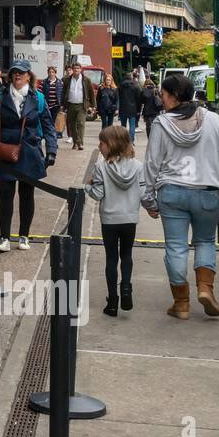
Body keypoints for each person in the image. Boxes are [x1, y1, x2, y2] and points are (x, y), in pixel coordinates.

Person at [141, 72, 219, 320]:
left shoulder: (161, 125)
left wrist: (149, 199)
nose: (161, 99)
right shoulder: (214, 120)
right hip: (208, 192)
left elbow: (152, 164)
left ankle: (181, 303)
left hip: (172, 193)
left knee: (175, 246)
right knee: (205, 241)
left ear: (173, 96)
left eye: (163, 94)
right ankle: (205, 289)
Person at [0, 60, 58, 252]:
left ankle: (24, 236)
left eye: (22, 73)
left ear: (28, 76)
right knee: (6, 195)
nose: (17, 75)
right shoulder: (0, 98)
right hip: (6, 151)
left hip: (30, 152)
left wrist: (51, 150)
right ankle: (5, 238)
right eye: (14, 72)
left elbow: (48, 126)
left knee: (27, 195)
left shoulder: (38, 98)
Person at [87, 124, 146, 316]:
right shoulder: (138, 166)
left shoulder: (100, 167)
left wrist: (87, 186)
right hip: (130, 218)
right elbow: (143, 192)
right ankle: (126, 288)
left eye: (102, 143)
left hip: (110, 220)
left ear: (110, 145)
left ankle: (112, 301)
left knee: (111, 259)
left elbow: (98, 194)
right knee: (127, 255)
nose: (99, 146)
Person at [60, 60, 95, 150]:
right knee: (72, 125)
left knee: (80, 123)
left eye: (78, 68)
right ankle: (75, 142)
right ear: (72, 69)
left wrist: (93, 105)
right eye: (74, 68)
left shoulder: (86, 80)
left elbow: (91, 93)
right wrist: (62, 105)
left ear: (81, 70)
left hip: (82, 105)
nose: (76, 70)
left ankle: (79, 143)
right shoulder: (67, 80)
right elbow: (63, 93)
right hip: (70, 105)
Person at [118, 68, 143, 141]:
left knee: (123, 125)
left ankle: (122, 140)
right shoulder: (136, 86)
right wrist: (138, 109)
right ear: (131, 78)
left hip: (123, 108)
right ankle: (131, 141)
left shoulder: (121, 86)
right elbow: (139, 99)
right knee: (132, 125)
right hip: (133, 109)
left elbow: (118, 97)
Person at [39, 66, 63, 137]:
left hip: (56, 105)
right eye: (50, 72)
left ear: (55, 73)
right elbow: (40, 92)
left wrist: (62, 104)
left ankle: (55, 133)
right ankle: (46, 133)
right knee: (46, 120)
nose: (51, 73)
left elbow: (62, 94)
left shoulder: (60, 83)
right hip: (46, 104)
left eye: (53, 72)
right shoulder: (44, 82)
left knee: (54, 120)